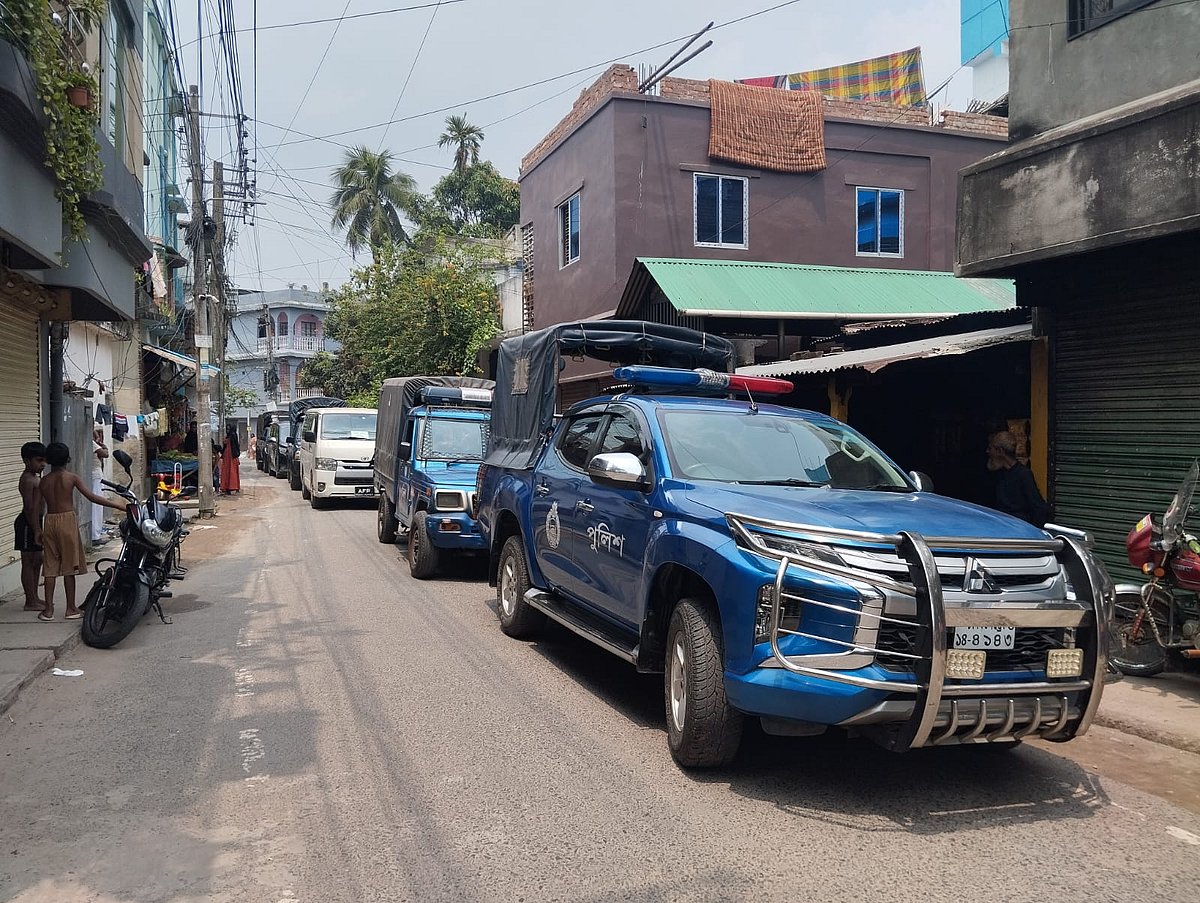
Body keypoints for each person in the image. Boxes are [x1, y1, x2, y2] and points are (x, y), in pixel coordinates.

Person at [37, 442, 128, 621]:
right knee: (69, 567)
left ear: (47, 460)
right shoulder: (71, 477)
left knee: (50, 568)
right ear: (68, 459)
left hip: (49, 520)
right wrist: (118, 504)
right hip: (67, 521)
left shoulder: (44, 481)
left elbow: (38, 507)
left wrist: (36, 528)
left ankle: (48, 610)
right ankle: (71, 608)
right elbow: (92, 497)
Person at [987, 431, 1051, 527]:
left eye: (990, 448)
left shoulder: (1023, 474)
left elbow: (1038, 507)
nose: (988, 451)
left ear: (1000, 451)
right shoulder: (998, 474)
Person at [16, 441, 46, 612]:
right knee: (28, 562)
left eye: (44, 460)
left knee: (38, 559)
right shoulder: (27, 479)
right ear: (27, 461)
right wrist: (36, 529)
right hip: (27, 523)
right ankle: (30, 600)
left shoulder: (37, 478)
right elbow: (29, 508)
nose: (42, 464)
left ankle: (34, 596)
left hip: (36, 522)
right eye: (39, 460)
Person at [90, 428, 110, 544]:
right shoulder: (92, 444)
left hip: (94, 476)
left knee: (96, 505)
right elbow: (105, 454)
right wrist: (103, 445)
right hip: (95, 476)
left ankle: (95, 534)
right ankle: (95, 535)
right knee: (97, 506)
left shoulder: (91, 443)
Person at [220, 425, 241, 495]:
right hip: (228, 456)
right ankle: (227, 486)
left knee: (231, 471)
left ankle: (231, 486)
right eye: (227, 429)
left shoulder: (232, 435)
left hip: (231, 456)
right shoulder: (230, 435)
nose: (227, 431)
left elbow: (234, 445)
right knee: (227, 471)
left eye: (229, 429)